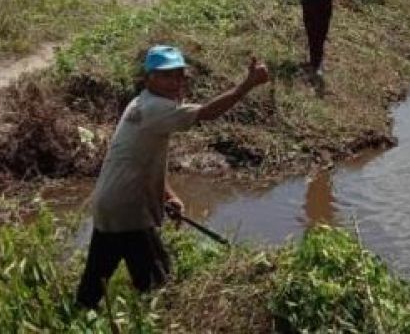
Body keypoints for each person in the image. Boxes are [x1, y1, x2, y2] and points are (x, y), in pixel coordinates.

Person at [75, 45, 270, 309]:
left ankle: (76, 318)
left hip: (111, 203)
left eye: (179, 76)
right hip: (128, 208)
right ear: (149, 78)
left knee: (93, 286)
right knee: (158, 286)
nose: (174, 82)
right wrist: (247, 85)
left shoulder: (141, 102)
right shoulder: (156, 108)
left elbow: (141, 163)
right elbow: (208, 113)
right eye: (166, 76)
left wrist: (168, 195)